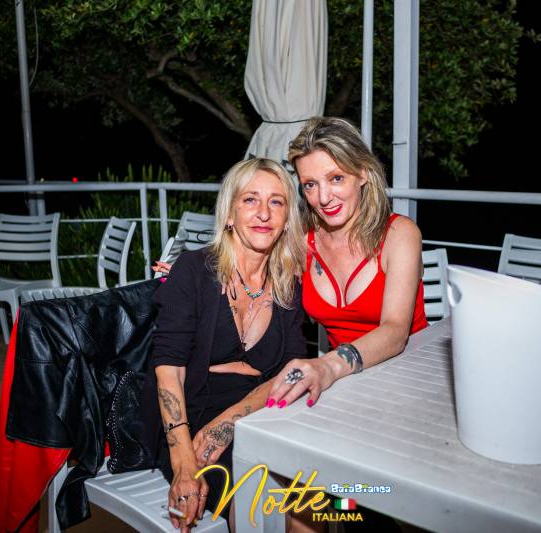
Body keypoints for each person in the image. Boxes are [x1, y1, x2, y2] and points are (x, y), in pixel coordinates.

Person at [150, 158, 309, 532]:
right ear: (229, 214)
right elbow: (169, 371)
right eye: (250, 199)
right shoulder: (193, 269)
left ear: (288, 219)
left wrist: (230, 422)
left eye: (276, 202)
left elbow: (293, 370)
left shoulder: (288, 284)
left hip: (262, 414)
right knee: (262, 497)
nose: (264, 213)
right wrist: (184, 465)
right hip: (188, 421)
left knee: (313, 496)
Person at [267, 116, 428, 408]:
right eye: (310, 185)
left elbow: (395, 331)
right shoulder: (304, 243)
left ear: (363, 172)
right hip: (347, 385)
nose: (323, 197)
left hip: (410, 378)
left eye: (336, 178)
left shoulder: (400, 234)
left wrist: (329, 365)